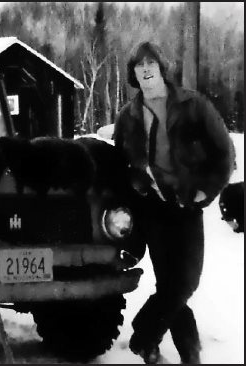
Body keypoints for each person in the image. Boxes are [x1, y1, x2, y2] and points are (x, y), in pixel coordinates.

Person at [113, 41, 235, 364]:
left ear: (162, 69)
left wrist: (203, 192)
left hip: (187, 205)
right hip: (153, 209)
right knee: (171, 285)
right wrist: (135, 186)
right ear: (134, 75)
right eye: (139, 66)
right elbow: (119, 162)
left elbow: (225, 155)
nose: (146, 69)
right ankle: (189, 351)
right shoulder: (128, 116)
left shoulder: (193, 106)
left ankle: (143, 333)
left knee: (186, 281)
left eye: (151, 63)